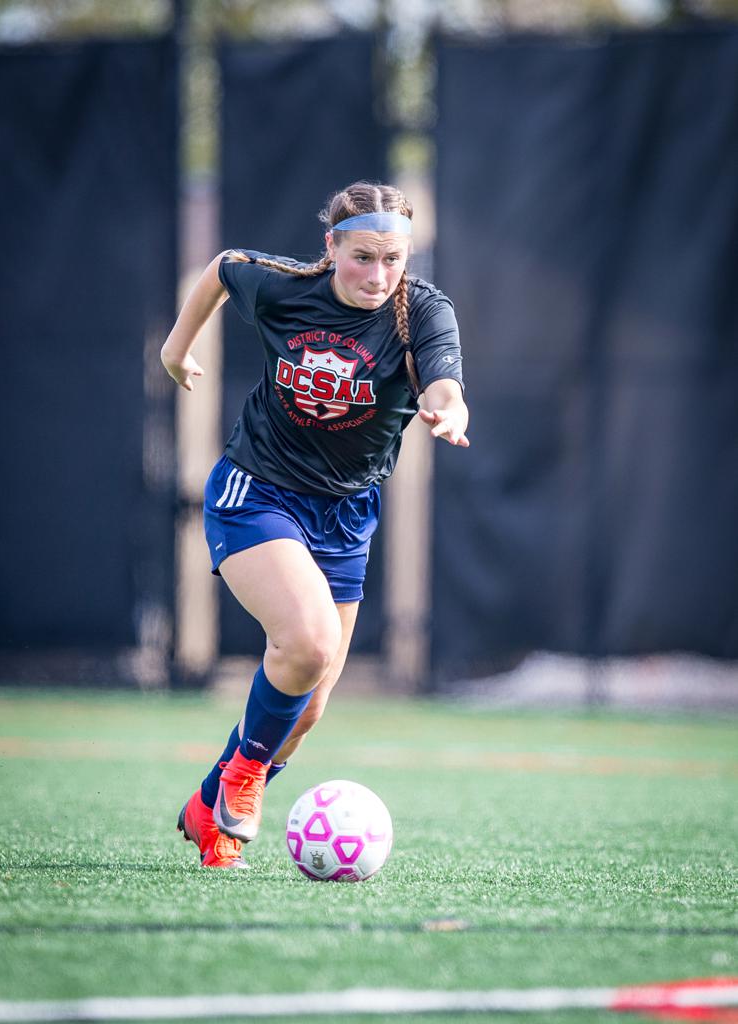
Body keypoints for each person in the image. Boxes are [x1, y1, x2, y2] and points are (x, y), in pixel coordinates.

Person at [161, 181, 468, 869]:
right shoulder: (284, 288)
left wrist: (451, 411)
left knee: (307, 708)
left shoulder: (421, 311)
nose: (378, 275)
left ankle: (210, 807)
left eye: (394, 259)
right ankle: (242, 782)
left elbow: (446, 383)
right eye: (363, 256)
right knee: (308, 641)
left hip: (347, 513)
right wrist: (176, 349)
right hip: (258, 490)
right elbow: (221, 266)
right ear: (331, 247)